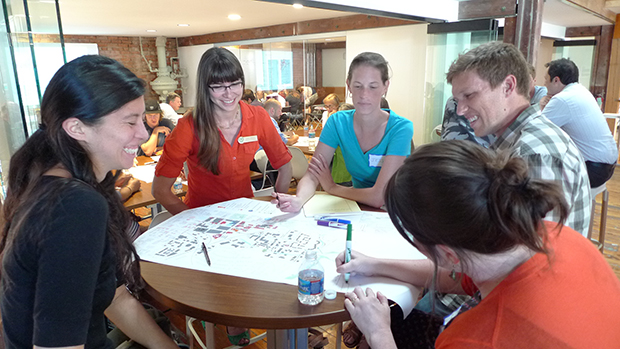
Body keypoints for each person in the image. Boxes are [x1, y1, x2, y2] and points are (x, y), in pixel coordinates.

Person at [337, 140, 620, 348]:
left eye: (415, 240)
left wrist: (378, 333)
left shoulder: (477, 338)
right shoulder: (550, 236)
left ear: (447, 254)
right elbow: (457, 278)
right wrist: (373, 264)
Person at [0, 55, 178, 349]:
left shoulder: (56, 180)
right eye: (130, 122)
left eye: (142, 120)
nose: (144, 133)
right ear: (77, 128)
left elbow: (115, 297)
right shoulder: (74, 206)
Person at [151, 47, 293, 346]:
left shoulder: (257, 117)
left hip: (246, 215)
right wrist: (192, 218)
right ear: (206, 87)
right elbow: (160, 190)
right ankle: (224, 320)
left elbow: (284, 163)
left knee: (255, 279)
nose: (229, 93)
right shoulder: (188, 126)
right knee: (218, 292)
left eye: (235, 84)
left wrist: (278, 202)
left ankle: (254, 321)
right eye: (218, 86)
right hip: (202, 221)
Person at [447, 42, 591, 237]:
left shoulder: (534, 154)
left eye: (469, 96)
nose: (460, 110)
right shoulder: (513, 141)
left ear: (508, 86)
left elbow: (538, 255)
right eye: (457, 100)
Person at [276, 52, 413, 211]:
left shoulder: (400, 128)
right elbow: (312, 175)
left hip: (396, 212)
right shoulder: (337, 122)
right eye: (358, 85)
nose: (364, 94)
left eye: (373, 86)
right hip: (359, 208)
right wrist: (298, 200)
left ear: (385, 86)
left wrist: (333, 188)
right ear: (348, 85)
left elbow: (378, 197)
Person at [541, 58, 617, 188]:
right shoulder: (581, 91)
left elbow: (537, 129)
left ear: (556, 80)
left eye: (545, 79)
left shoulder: (562, 99)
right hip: (608, 164)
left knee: (539, 172)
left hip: (593, 169)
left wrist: (540, 106)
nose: (544, 84)